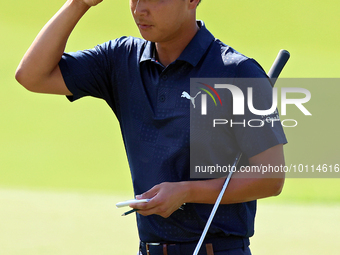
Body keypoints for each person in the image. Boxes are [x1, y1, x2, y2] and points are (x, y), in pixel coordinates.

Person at [15, 0, 287, 254]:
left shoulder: (237, 72)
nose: (139, 9)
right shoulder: (120, 59)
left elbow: (271, 177)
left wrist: (187, 192)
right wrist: (80, 3)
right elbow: (32, 76)